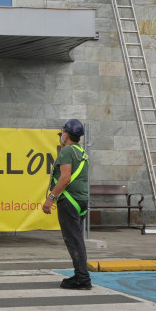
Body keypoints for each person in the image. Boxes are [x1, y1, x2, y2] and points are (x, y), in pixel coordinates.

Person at [42, 118, 91, 290]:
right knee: (77, 239)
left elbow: (65, 177)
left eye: (62, 132)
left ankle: (82, 278)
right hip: (81, 201)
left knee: (73, 239)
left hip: (69, 201)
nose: (61, 135)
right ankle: (81, 274)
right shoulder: (80, 151)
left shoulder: (67, 152)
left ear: (68, 134)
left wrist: (50, 198)